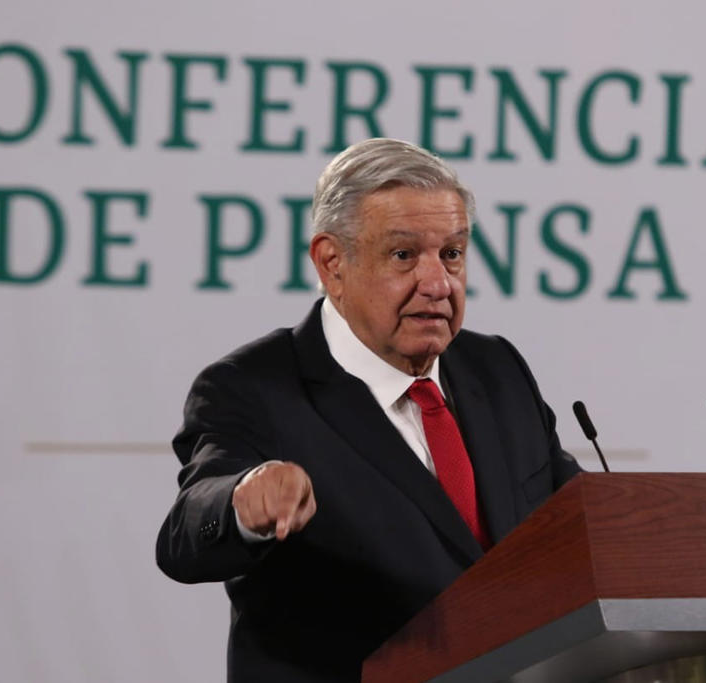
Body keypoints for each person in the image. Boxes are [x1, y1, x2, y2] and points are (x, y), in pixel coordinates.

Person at [156, 138, 581, 683]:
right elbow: (186, 536)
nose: (438, 283)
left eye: (452, 254)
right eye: (404, 255)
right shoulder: (253, 387)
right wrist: (242, 501)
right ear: (332, 263)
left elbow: (577, 520)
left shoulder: (496, 368)